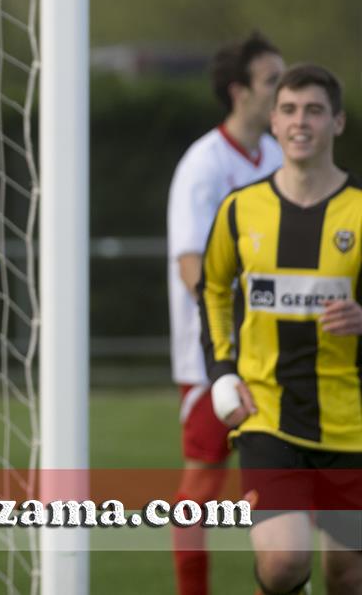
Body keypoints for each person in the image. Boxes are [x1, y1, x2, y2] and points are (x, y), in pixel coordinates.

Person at [200, 64, 362, 595]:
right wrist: (222, 370)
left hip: (352, 423)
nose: (300, 122)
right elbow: (213, 289)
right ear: (272, 121)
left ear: (337, 122)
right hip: (267, 415)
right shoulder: (240, 209)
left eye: (314, 110)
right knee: (284, 562)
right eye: (289, 110)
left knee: (348, 574)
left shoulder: (359, 213)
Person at [165, 31, 284, 595]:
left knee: (287, 489)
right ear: (240, 92)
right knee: (202, 493)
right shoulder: (204, 166)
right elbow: (193, 266)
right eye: (272, 82)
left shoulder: (281, 157)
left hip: (283, 355)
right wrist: (227, 347)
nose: (283, 93)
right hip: (217, 360)